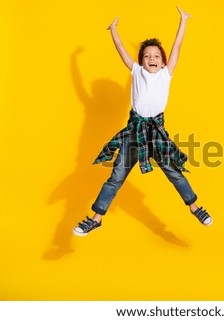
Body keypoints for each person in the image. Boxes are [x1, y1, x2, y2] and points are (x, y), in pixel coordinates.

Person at [73, 6, 212, 236]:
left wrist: (183, 20)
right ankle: (96, 219)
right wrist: (113, 30)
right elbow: (120, 50)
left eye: (156, 56)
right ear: (141, 60)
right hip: (134, 132)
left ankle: (195, 208)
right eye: (147, 56)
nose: (152, 59)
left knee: (174, 172)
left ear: (163, 59)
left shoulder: (167, 73)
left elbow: (177, 46)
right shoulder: (136, 71)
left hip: (156, 133)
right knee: (116, 177)